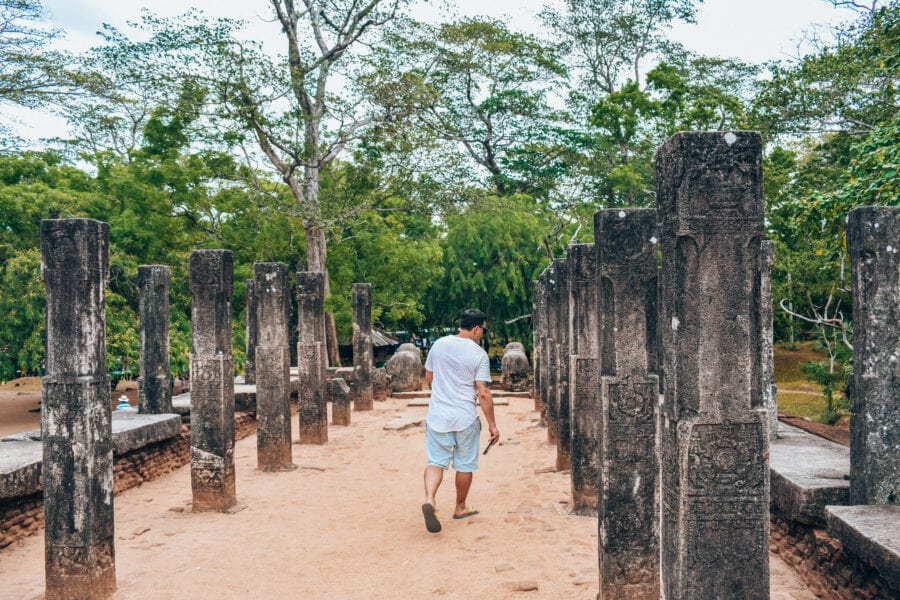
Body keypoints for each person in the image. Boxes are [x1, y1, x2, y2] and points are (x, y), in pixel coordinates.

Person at [421, 308, 500, 534]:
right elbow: (483, 393)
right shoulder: (479, 354)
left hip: (437, 416)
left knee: (436, 461)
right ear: (476, 328)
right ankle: (460, 506)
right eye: (482, 330)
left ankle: (430, 499)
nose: (482, 334)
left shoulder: (438, 344)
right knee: (464, 464)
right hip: (464, 417)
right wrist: (493, 425)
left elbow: (429, 377)